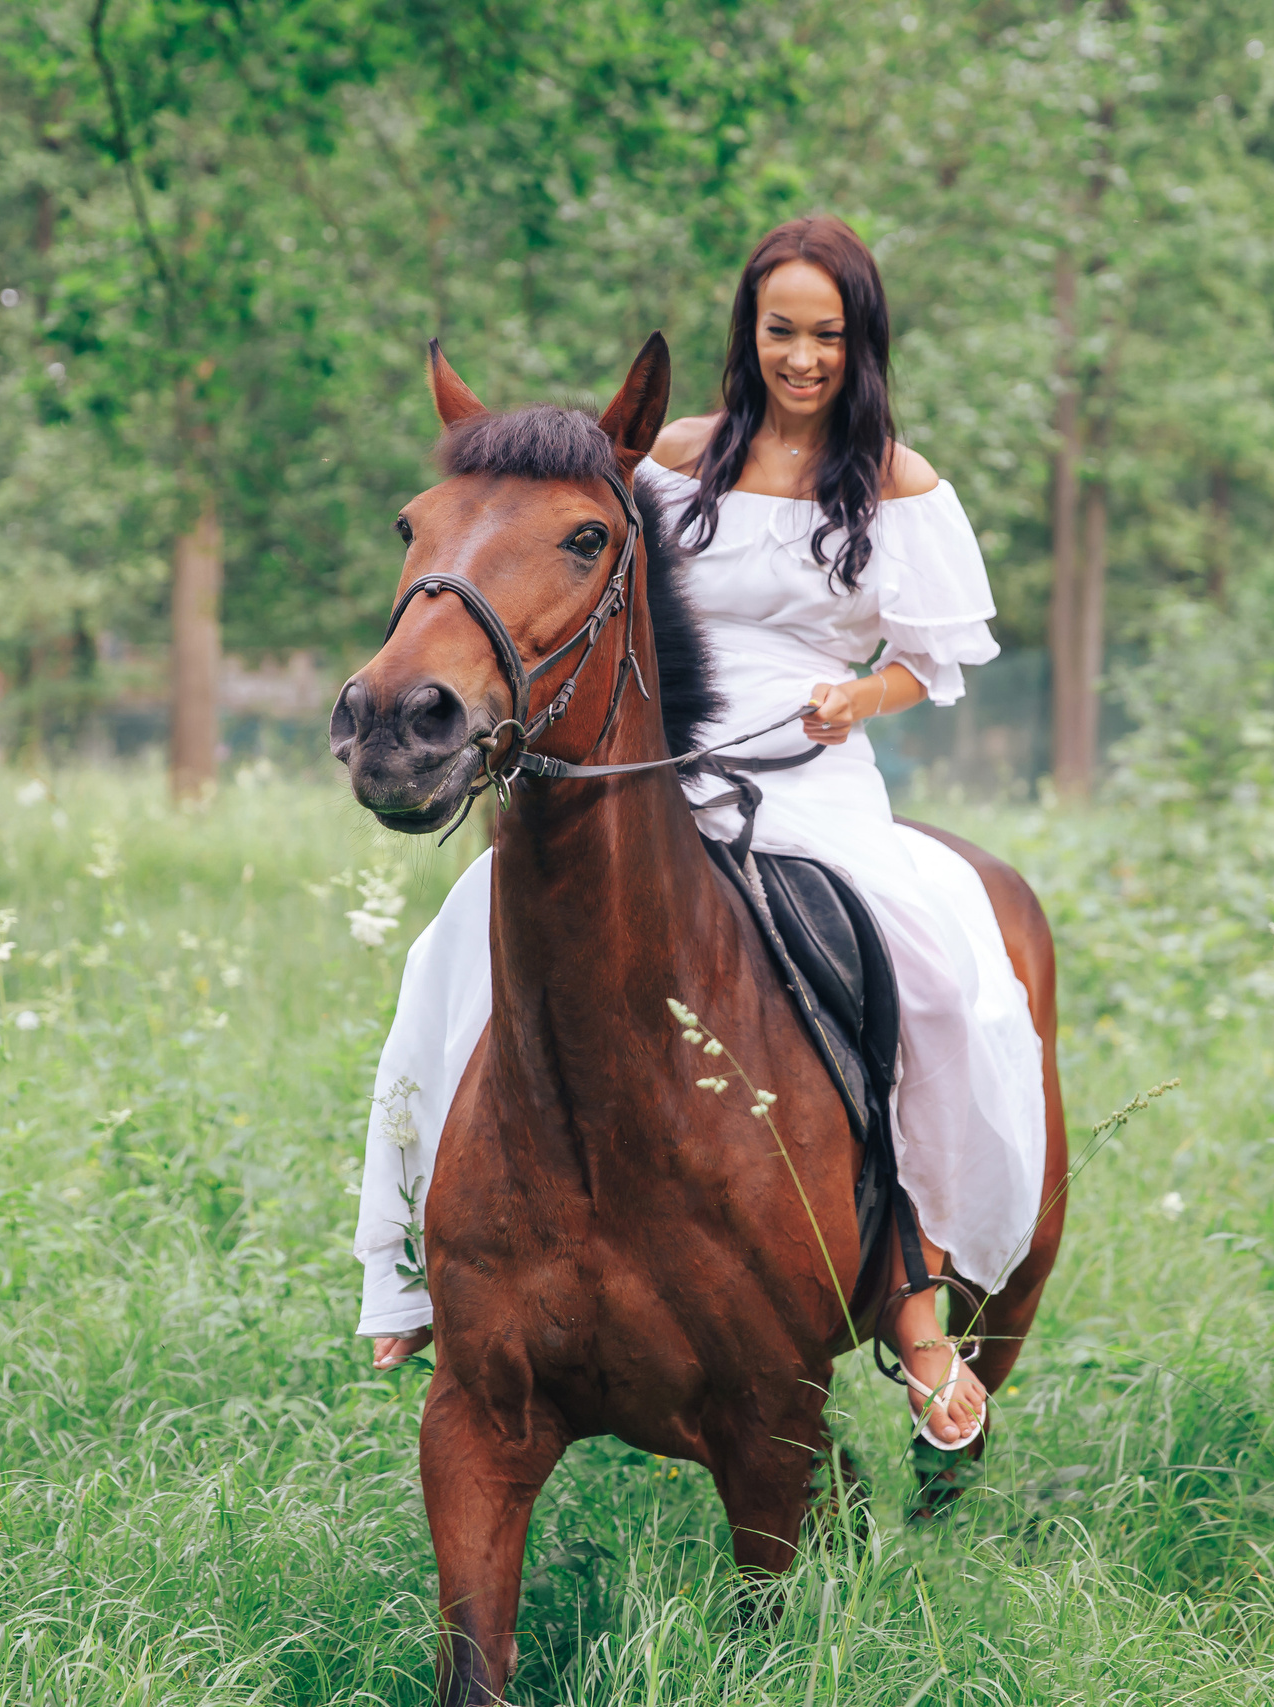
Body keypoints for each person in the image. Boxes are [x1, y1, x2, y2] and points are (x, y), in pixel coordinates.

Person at [355, 216, 1045, 1450]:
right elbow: (577, 568)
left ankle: (915, 1288)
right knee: (451, 944)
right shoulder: (674, 459)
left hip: (808, 761)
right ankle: (414, 1264)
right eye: (782, 330)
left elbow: (935, 659)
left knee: (939, 977)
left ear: (860, 341)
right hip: (657, 744)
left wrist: (858, 698)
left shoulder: (897, 482)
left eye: (827, 334)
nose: (803, 356)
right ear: (750, 333)